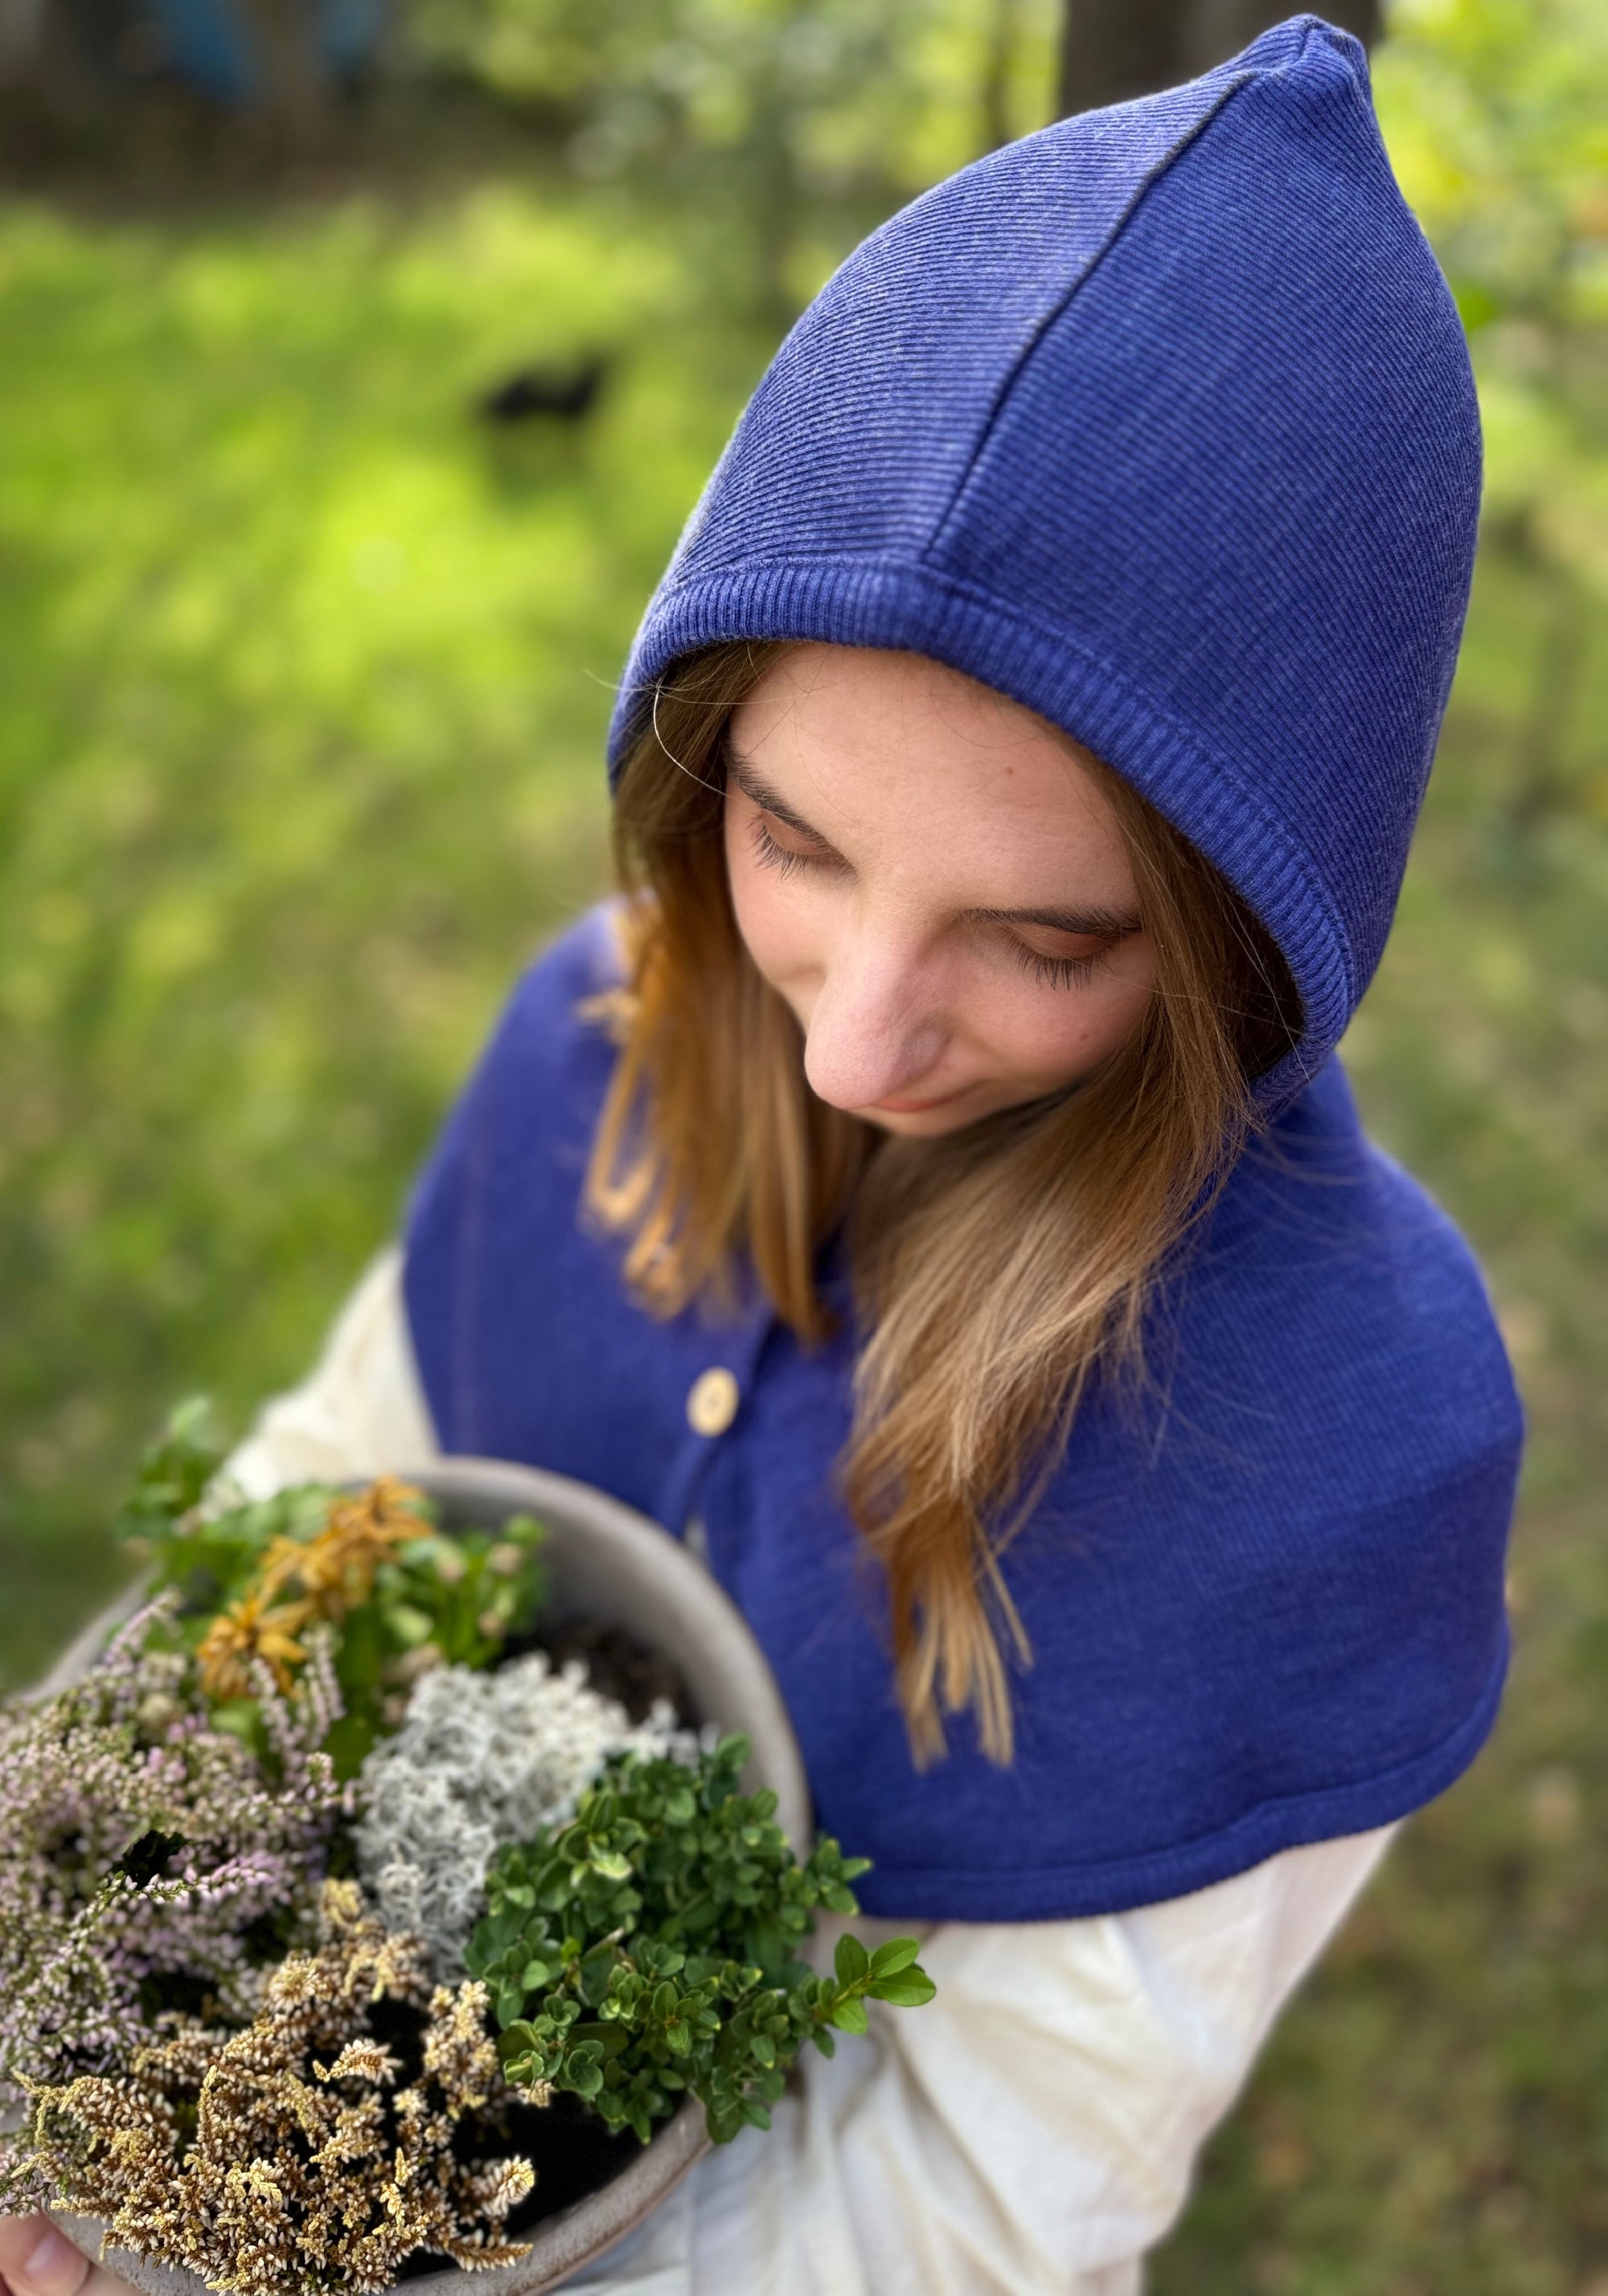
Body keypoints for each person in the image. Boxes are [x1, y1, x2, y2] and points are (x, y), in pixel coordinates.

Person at [2, 15, 1523, 2295]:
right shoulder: (590, 1045)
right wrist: (88, 2014)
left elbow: (970, 2205)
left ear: (1242, 958)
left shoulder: (1326, 1461)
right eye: (791, 844)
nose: (852, 1046)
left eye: (1042, 939)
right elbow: (340, 1484)